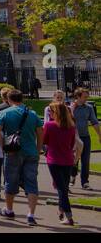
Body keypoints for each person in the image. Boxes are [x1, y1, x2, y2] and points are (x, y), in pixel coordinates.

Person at [0, 89, 43, 225]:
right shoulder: (32, 114)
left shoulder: (4, 113)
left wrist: (3, 147)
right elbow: (40, 133)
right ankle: (31, 214)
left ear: (9, 100)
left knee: (10, 180)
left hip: (12, 152)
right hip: (31, 152)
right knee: (31, 182)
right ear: (22, 99)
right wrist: (38, 150)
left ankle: (9, 210)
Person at [42, 96, 78, 226]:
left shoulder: (49, 125)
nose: (49, 114)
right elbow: (72, 143)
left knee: (61, 189)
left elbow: (44, 141)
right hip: (67, 159)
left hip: (54, 160)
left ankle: (69, 216)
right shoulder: (71, 126)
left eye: (51, 112)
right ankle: (61, 210)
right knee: (63, 187)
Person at [71, 88, 100, 188]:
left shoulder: (89, 108)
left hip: (85, 136)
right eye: (84, 97)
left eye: (87, 97)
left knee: (85, 160)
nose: (86, 99)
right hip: (73, 137)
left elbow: (94, 122)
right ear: (78, 96)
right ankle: (72, 176)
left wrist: (99, 135)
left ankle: (85, 182)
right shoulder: (70, 108)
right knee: (74, 158)